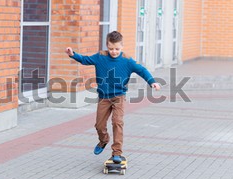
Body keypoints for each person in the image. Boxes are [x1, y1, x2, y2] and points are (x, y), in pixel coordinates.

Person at [65, 31, 161, 163]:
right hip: (104, 97)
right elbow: (85, 60)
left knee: (117, 122)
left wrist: (152, 81)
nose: (114, 51)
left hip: (119, 97)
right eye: (111, 48)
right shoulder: (100, 57)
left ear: (122, 46)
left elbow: (142, 70)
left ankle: (117, 152)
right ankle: (103, 140)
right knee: (99, 125)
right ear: (107, 46)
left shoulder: (127, 60)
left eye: (117, 49)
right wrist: (73, 54)